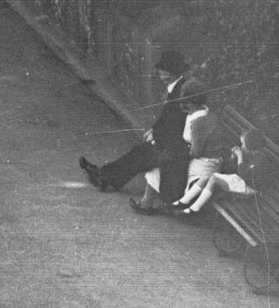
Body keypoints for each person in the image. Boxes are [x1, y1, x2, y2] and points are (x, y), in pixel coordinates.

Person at [80, 49, 204, 206]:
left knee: (142, 154)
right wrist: (154, 130)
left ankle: (104, 177)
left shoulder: (179, 91)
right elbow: (166, 118)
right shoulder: (177, 87)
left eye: (163, 71)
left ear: (171, 73)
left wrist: (156, 137)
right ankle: (104, 177)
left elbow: (175, 124)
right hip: (173, 141)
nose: (160, 74)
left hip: (177, 147)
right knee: (140, 152)